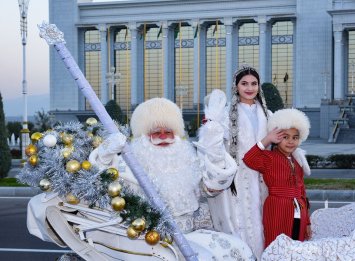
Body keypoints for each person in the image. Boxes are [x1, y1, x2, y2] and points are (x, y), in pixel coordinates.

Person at [27, 97, 255, 260]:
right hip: (146, 237)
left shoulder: (188, 156)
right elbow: (96, 179)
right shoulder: (130, 158)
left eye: (169, 132)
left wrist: (213, 140)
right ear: (144, 134)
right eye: (157, 132)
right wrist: (106, 152)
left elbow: (213, 186)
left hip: (190, 232)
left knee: (237, 249)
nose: (164, 138)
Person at [201, 64, 271, 259]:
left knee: (261, 223)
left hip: (262, 178)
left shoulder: (267, 114)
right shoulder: (225, 115)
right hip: (237, 178)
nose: (249, 88)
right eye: (244, 83)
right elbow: (212, 147)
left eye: (254, 83)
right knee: (238, 223)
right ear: (236, 86)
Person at [243, 108, 312, 248]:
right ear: (277, 137)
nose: (290, 142)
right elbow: (248, 159)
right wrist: (267, 140)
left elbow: (302, 192)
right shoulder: (269, 158)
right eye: (285, 137)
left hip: (299, 212)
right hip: (276, 210)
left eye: (295, 137)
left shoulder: (298, 161)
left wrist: (308, 222)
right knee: (276, 247)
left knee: (297, 249)